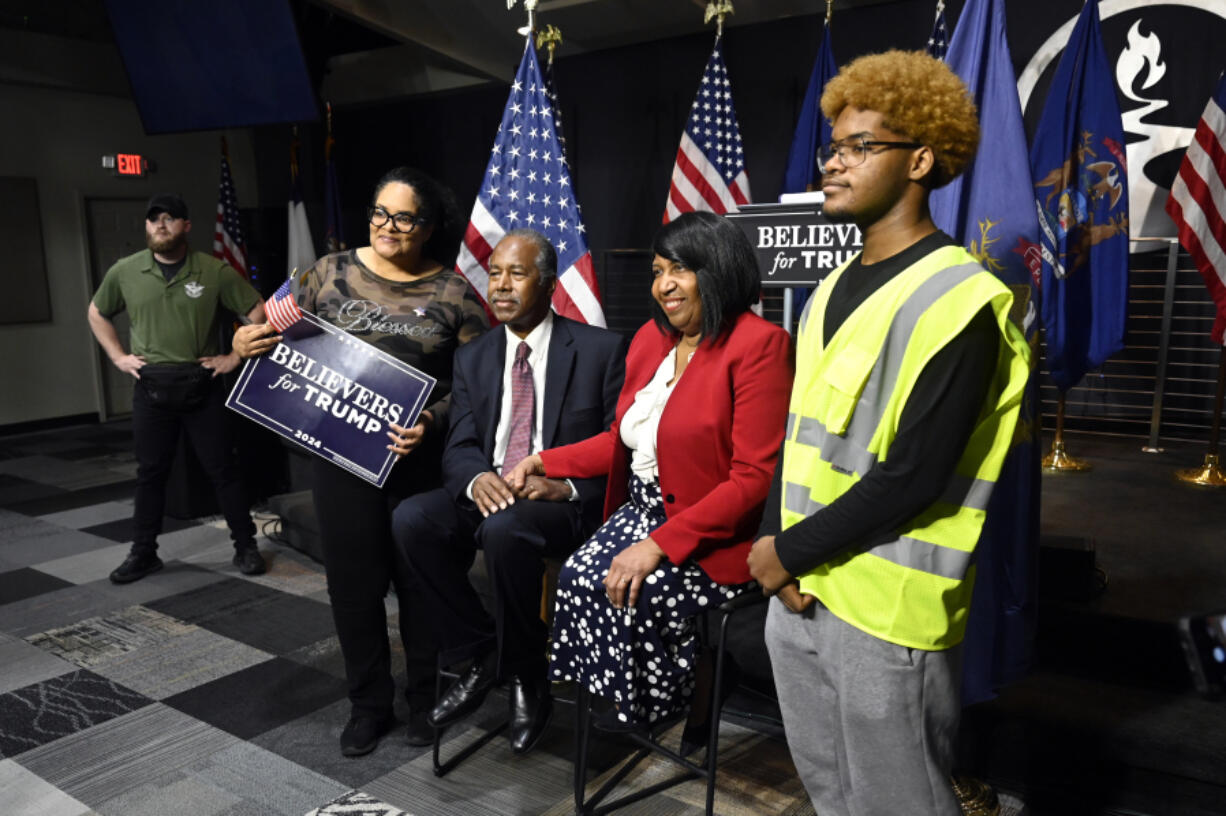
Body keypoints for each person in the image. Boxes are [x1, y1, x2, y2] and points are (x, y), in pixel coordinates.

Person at [747, 51, 1031, 815]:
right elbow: (800, 435)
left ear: (921, 159)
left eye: (858, 147)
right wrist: (782, 559)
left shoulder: (963, 299)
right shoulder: (832, 286)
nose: (834, 164)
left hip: (886, 612)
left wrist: (781, 552)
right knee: (832, 796)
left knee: (900, 804)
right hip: (802, 596)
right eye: (831, 148)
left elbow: (915, 476)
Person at [233, 167, 489, 757]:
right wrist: (245, 341)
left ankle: (426, 700)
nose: (387, 226)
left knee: (418, 585)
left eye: (404, 217)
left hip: (415, 464)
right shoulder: (328, 273)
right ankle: (368, 705)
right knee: (353, 588)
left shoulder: (454, 295)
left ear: (427, 227)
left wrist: (431, 421)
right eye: (380, 212)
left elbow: (477, 390)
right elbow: (263, 329)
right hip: (340, 460)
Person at [507, 211, 792, 738]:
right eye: (658, 270)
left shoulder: (760, 345)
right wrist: (547, 459)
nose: (664, 285)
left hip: (712, 531)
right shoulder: (649, 340)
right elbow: (622, 438)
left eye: (679, 269)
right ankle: (629, 705)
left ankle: (676, 705)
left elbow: (753, 479)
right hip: (641, 509)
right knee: (580, 577)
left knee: (637, 590)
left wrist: (659, 544)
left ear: (717, 269)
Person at [391, 229, 625, 755]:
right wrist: (477, 478)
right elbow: (461, 443)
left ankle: (526, 676)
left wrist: (563, 484)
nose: (500, 285)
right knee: (412, 519)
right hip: (492, 494)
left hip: (560, 504)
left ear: (546, 284)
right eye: (495, 273)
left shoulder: (600, 350)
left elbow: (619, 447)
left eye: (516, 274)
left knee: (504, 530)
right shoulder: (475, 357)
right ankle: (481, 652)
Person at [88, 194, 267, 585]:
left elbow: (259, 314)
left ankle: (245, 546)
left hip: (201, 383)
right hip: (152, 388)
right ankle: (144, 553)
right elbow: (97, 312)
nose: (160, 226)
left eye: (169, 219)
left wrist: (233, 357)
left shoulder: (214, 271)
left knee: (224, 470)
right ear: (147, 227)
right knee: (151, 473)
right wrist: (118, 356)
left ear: (186, 225)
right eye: (153, 220)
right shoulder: (125, 271)